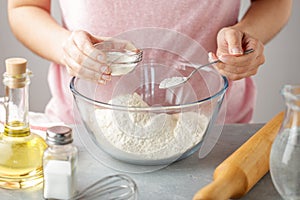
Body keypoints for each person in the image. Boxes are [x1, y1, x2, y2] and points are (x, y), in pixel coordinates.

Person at [7, 0, 292, 124]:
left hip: (214, 130)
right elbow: (24, 7)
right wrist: (65, 48)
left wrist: (248, 36)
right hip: (85, 129)